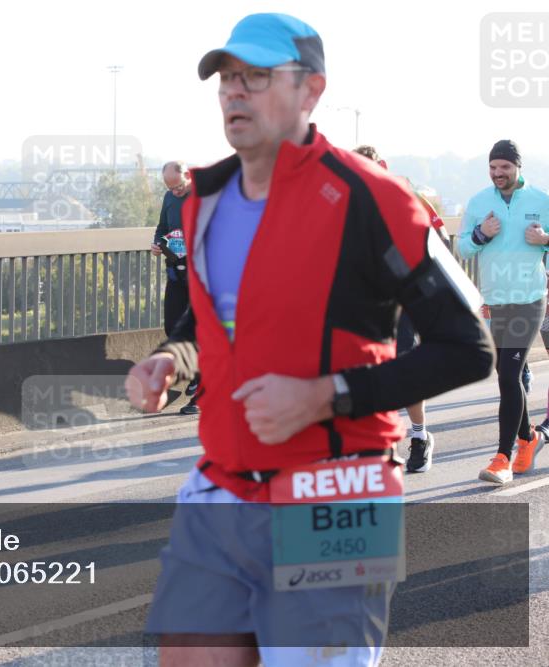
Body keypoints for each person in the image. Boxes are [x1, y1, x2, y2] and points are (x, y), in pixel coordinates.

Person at [125, 14, 493, 666]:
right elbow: (204, 325)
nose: (234, 92)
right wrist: (169, 361)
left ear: (311, 90)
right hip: (224, 484)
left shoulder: (373, 197)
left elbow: (468, 345)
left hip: (335, 488)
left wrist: (327, 394)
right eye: (227, 78)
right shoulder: (204, 198)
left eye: (257, 76)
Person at [352, 144, 448, 472]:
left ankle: (419, 436)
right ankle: (384, 443)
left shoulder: (405, 192)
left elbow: (440, 238)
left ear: (381, 165)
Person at [458, 139, 549, 484]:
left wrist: (545, 240)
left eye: (505, 167)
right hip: (494, 302)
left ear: (518, 167)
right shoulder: (479, 202)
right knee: (508, 375)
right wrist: (481, 234)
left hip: (529, 300)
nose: (498, 173)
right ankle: (529, 438)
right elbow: (463, 247)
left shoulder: (541, 200)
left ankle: (502, 458)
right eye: (493, 167)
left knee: (509, 376)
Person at [150, 160, 199, 415]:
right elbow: (162, 228)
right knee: (172, 326)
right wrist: (157, 244)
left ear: (188, 175)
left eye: (179, 187)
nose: (175, 192)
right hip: (176, 271)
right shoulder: (169, 198)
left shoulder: (203, 195)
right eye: (171, 188)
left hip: (202, 272)